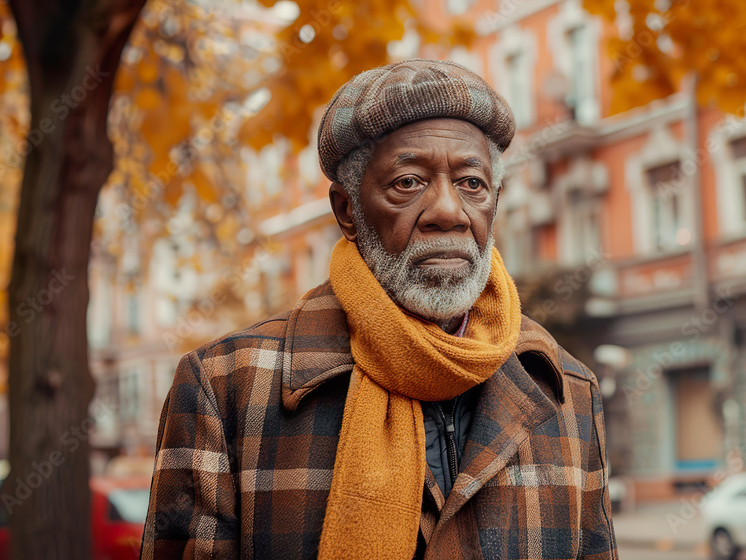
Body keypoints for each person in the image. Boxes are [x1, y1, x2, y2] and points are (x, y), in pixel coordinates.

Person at [140, 59, 618, 560]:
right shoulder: (226, 387)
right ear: (347, 211)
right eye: (408, 182)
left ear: (494, 202)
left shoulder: (567, 390)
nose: (448, 212)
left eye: (472, 183)